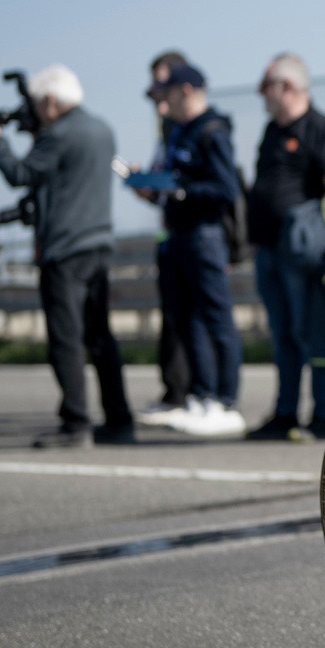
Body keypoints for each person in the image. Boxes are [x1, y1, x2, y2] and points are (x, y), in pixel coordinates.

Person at [0, 64, 132, 448]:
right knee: (100, 337)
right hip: (98, 244)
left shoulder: (59, 135)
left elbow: (19, 173)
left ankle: (76, 424)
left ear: (49, 101)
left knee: (66, 339)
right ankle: (119, 420)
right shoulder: (102, 129)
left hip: (64, 250)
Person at [245, 54, 325, 441]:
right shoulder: (272, 130)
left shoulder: (319, 127)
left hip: (299, 255)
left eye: (266, 87)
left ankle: (324, 415)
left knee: (312, 333)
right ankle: (285, 413)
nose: (261, 95)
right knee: (283, 335)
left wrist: (317, 236)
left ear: (286, 88)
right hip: (269, 251)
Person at [131, 62, 245, 436]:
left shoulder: (212, 130)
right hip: (179, 236)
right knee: (189, 321)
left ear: (185, 91)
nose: (162, 104)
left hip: (205, 236)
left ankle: (226, 403)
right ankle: (202, 397)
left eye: (167, 94)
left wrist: (182, 190)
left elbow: (226, 189)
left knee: (216, 319)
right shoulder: (180, 131)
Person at [139, 49, 194, 418]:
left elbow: (191, 185)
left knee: (189, 320)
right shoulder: (166, 128)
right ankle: (175, 392)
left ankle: (188, 395)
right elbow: (166, 193)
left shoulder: (190, 126)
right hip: (169, 234)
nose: (158, 96)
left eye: (163, 84)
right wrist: (144, 185)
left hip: (191, 237)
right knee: (171, 319)